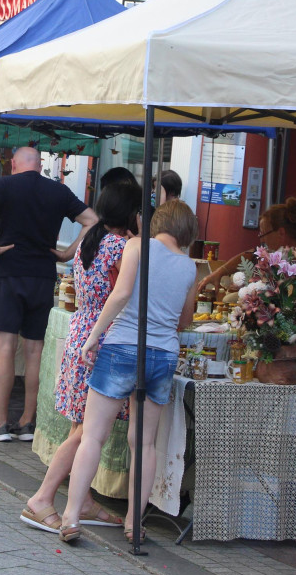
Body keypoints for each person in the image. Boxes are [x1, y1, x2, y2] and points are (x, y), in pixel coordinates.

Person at [59, 200, 199, 544]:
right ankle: (134, 524)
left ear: (158, 222)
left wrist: (93, 337)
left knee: (92, 435)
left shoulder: (136, 246)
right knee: (145, 444)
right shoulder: (189, 267)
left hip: (122, 345)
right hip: (162, 355)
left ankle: (71, 516)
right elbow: (185, 320)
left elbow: (120, 294)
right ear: (187, 232)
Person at [199, 197, 296, 489]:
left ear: (281, 233)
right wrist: (218, 273)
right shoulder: (281, 258)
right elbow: (249, 254)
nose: (261, 242)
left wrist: (295, 329)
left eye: (264, 235)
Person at [21, 180, 141, 534]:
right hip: (102, 339)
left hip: (80, 331)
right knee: (85, 431)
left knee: (81, 426)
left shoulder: (92, 237)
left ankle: (83, 499)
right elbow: (124, 295)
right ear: (130, 212)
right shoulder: (123, 246)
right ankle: (41, 498)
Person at [0, 146, 99, 442]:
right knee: (34, 351)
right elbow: (92, 220)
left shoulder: (4, 184)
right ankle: (28, 422)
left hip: (9, 272)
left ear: (14, 164)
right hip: (43, 276)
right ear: (39, 165)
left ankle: (0, 423)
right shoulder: (59, 191)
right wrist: (67, 253)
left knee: (4, 347)